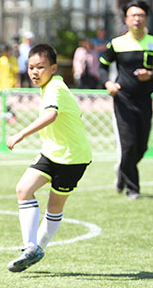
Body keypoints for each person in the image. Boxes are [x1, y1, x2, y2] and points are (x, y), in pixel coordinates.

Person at [5, 44, 92, 272]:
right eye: (31, 67)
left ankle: (37, 248)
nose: (34, 72)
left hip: (73, 158)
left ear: (53, 68)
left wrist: (21, 134)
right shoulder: (48, 86)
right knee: (23, 189)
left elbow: (51, 115)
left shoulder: (55, 87)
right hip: (52, 152)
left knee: (54, 206)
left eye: (40, 67)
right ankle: (30, 247)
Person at [99, 0, 153, 199]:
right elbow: (102, 67)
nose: (137, 19)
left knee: (142, 147)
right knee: (128, 145)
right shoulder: (117, 43)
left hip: (145, 100)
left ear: (146, 18)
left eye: (140, 15)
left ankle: (122, 170)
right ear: (126, 19)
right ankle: (132, 189)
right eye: (133, 15)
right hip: (122, 100)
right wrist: (108, 83)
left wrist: (151, 75)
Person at [0, 43, 20, 124]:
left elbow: (17, 73)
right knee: (4, 103)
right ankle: (10, 118)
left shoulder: (13, 60)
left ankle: (8, 118)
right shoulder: (1, 60)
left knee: (8, 103)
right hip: (2, 85)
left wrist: (18, 83)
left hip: (11, 85)